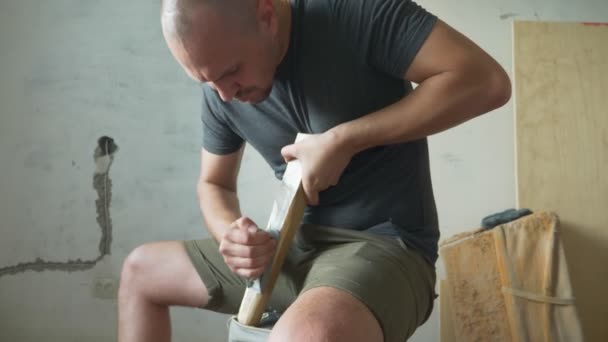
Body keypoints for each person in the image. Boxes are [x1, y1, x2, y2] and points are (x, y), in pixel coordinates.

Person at [117, 0, 511, 341]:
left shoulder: (356, 13)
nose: (224, 94)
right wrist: (231, 236)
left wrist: (345, 140)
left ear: (266, 15)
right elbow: (213, 184)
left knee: (305, 336)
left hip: (384, 246)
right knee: (141, 272)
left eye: (230, 71)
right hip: (288, 249)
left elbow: (486, 81)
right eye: (204, 80)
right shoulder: (220, 89)